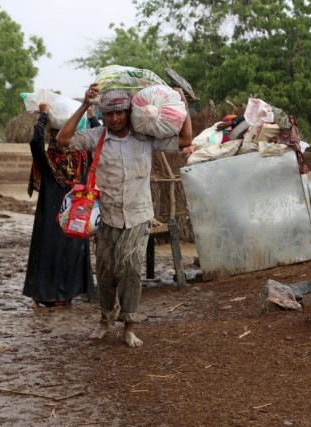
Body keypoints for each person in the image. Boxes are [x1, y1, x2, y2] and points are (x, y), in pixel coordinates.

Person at [57, 84, 192, 347]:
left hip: (138, 215)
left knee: (130, 268)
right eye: (109, 114)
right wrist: (85, 104)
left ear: (130, 112)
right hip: (106, 217)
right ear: (104, 116)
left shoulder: (145, 137)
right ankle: (106, 319)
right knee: (106, 272)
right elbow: (63, 141)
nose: (115, 118)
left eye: (120, 113)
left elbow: (185, 141)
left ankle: (129, 325)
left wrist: (182, 104)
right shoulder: (95, 138)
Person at [23, 103, 100, 308]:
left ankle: (49, 296)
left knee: (49, 251)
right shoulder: (84, 158)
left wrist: (43, 116)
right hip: (76, 216)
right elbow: (99, 141)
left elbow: (35, 141)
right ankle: (66, 297)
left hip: (50, 217)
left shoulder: (47, 160)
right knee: (72, 252)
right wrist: (92, 118)